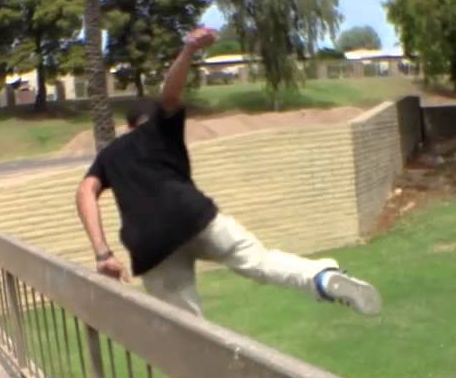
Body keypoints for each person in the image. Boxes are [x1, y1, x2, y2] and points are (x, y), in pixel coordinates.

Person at [75, 27, 381, 318]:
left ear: (128, 125)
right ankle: (321, 278)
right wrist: (189, 50)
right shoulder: (161, 125)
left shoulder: (110, 154)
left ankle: (199, 368)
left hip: (150, 245)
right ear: (150, 118)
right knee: (260, 261)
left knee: (185, 328)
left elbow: (85, 191)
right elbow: (170, 95)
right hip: (193, 215)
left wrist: (102, 254)